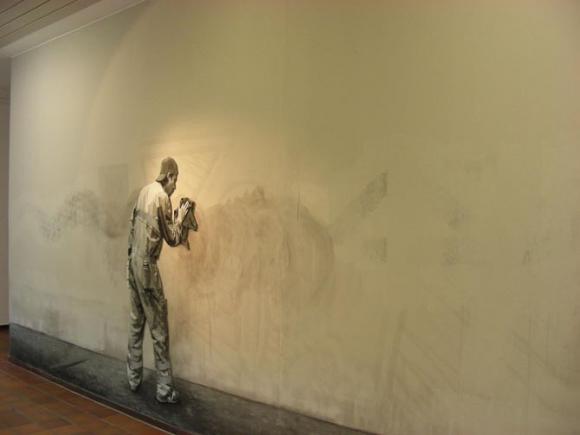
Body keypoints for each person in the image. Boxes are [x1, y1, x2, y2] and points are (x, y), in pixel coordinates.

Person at [126, 157, 190, 404]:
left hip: (133, 264)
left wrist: (130, 262)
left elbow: (133, 227)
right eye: (176, 180)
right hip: (147, 267)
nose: (175, 186)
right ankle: (164, 390)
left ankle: (133, 378)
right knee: (159, 328)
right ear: (170, 176)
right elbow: (172, 238)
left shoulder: (144, 191)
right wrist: (181, 216)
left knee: (136, 323)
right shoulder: (162, 197)